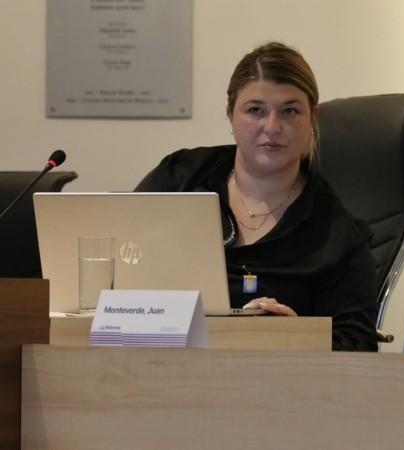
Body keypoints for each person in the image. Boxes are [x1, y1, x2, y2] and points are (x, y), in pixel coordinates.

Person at [135, 42, 379, 352]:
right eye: (255, 110)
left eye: (290, 111)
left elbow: (358, 344)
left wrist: (291, 336)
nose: (272, 127)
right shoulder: (180, 178)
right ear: (230, 115)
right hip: (159, 364)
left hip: (272, 378)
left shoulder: (337, 235)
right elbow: (117, 263)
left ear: (312, 118)